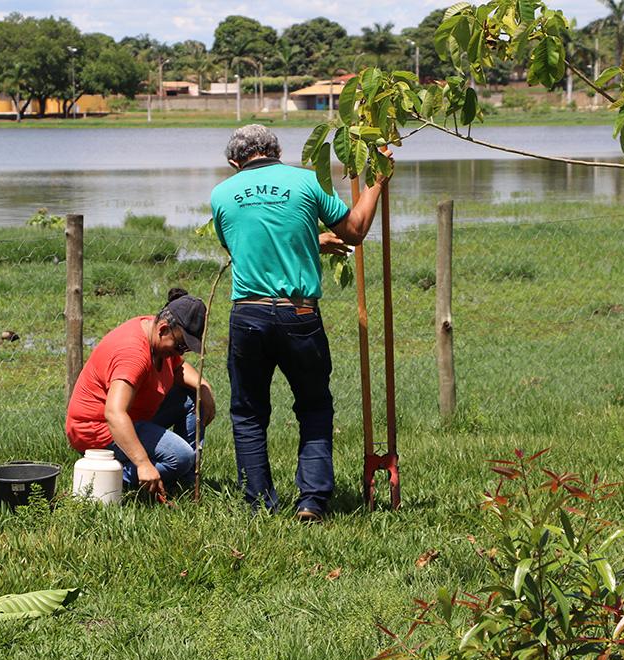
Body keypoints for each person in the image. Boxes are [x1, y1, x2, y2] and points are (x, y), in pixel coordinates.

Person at [210, 124, 392, 521]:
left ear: (233, 162)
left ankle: (259, 505)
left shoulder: (221, 195)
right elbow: (355, 230)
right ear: (277, 150)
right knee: (313, 406)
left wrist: (314, 239)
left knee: (248, 412)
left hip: (249, 314)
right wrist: (377, 181)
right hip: (300, 313)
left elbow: (245, 246)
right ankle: (312, 500)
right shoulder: (307, 182)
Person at [65, 289, 216, 497]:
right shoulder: (132, 354)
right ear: (163, 329)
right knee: (180, 456)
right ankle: (104, 479)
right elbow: (114, 414)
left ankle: (183, 479)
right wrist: (143, 463)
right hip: (98, 430)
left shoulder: (156, 334)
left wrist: (203, 387)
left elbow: (179, 368)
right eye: (181, 345)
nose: (180, 353)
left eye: (186, 349)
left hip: (134, 418)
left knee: (191, 400)